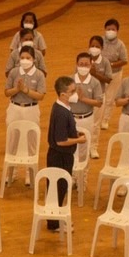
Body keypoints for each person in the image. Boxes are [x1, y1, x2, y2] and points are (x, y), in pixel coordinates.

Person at [44, 75, 86, 227]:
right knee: (58, 189)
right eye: (72, 91)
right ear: (63, 94)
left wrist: (74, 134)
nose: (75, 94)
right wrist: (78, 140)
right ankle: (55, 222)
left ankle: (55, 220)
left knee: (58, 188)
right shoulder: (62, 112)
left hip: (60, 155)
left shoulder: (62, 108)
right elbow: (61, 141)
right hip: (60, 156)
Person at [5, 45, 46, 132]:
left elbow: (40, 96)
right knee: (13, 136)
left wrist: (26, 90)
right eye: (22, 58)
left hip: (32, 109)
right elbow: (6, 92)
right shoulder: (14, 72)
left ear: (34, 59)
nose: (25, 60)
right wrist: (17, 89)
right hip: (14, 108)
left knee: (31, 137)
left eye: (28, 58)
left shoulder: (39, 74)